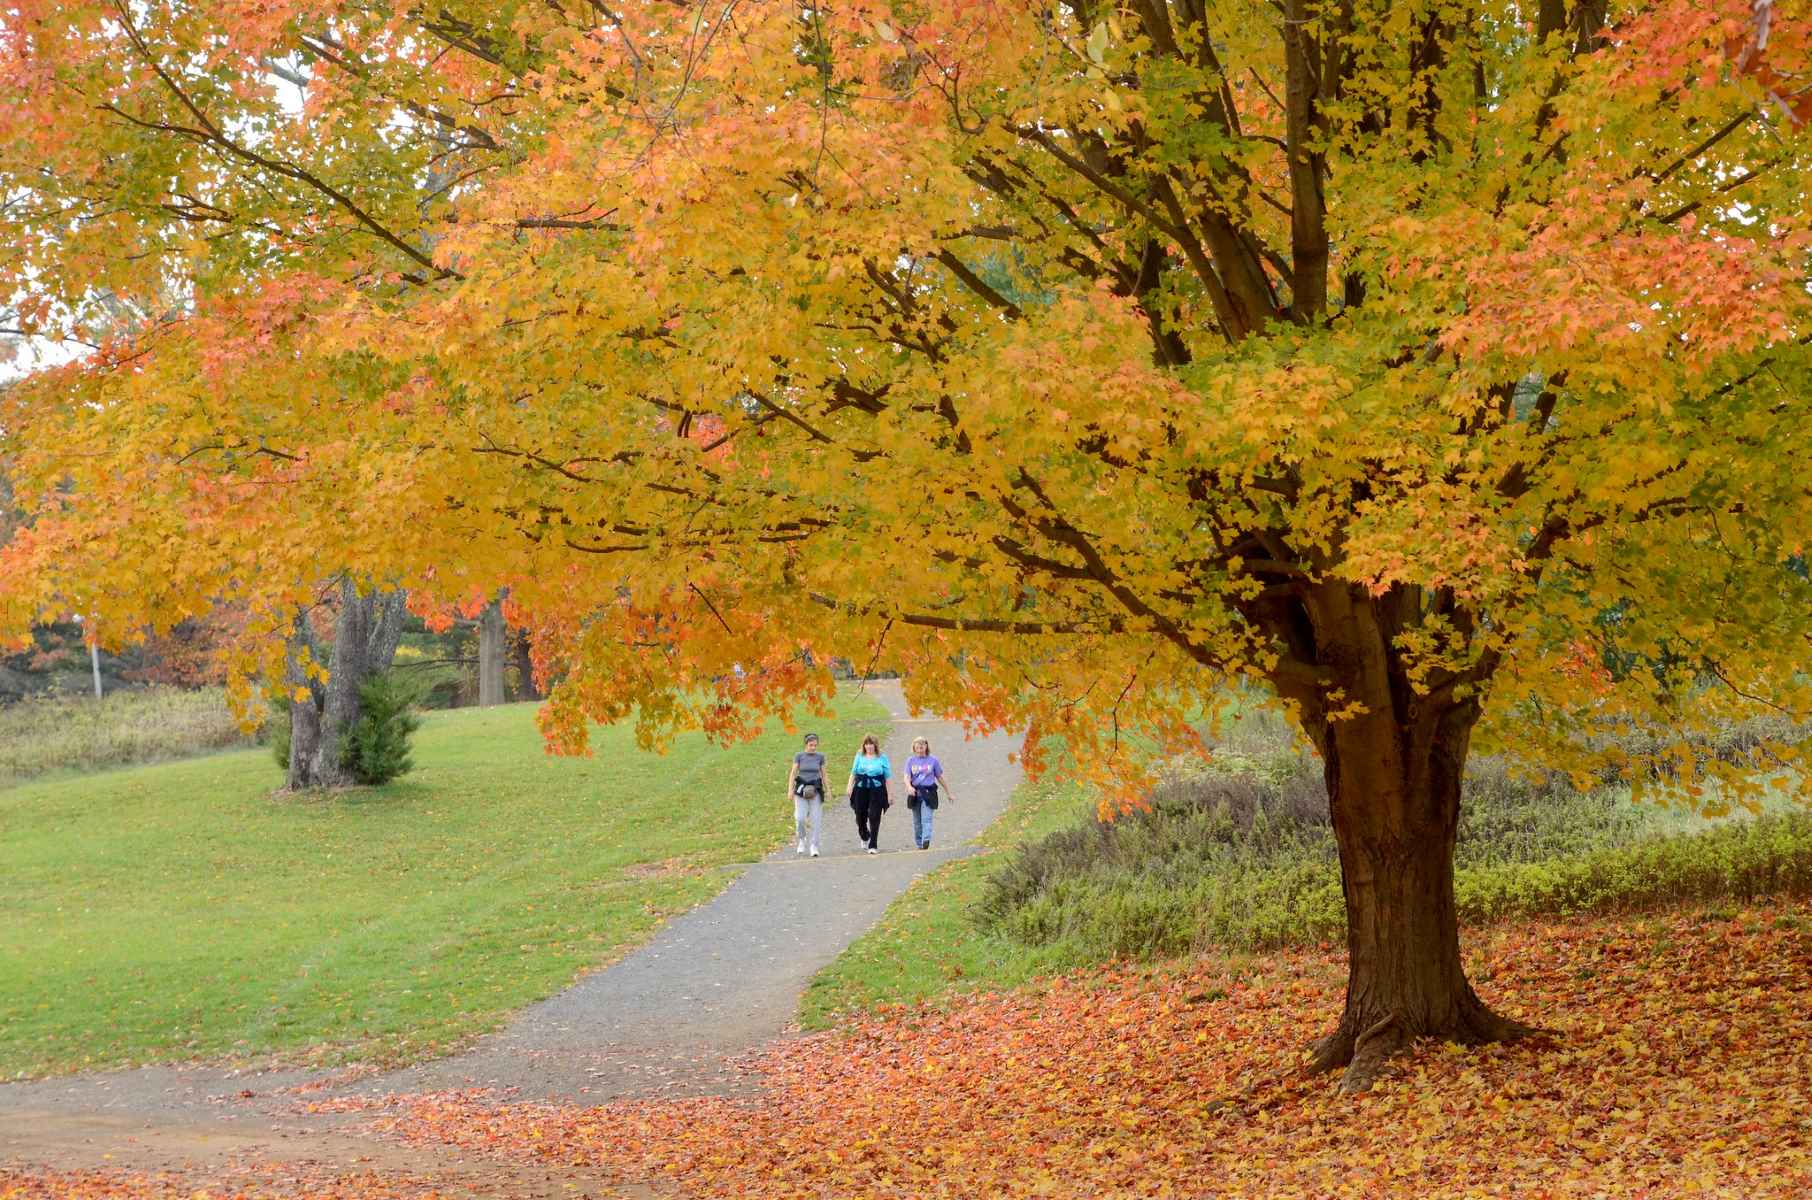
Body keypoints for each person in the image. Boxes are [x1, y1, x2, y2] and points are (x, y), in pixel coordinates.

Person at [904, 736, 954, 850]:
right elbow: (906, 777)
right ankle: (919, 843)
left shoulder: (933, 760)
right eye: (918, 746)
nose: (920, 748)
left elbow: (940, 777)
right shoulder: (910, 761)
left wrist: (948, 793)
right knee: (917, 822)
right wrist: (909, 787)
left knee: (926, 819)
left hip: (929, 793)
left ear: (926, 747)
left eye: (922, 746)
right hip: (915, 793)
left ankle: (926, 839)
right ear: (914, 748)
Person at [845, 734, 891, 854]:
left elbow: (887, 777)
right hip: (861, 788)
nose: (869, 746)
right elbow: (853, 772)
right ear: (864, 745)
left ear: (875, 745)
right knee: (860, 815)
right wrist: (849, 786)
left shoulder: (882, 757)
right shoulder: (859, 756)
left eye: (871, 744)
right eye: (867, 744)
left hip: (877, 789)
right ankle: (864, 835)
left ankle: (873, 844)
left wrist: (890, 794)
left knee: (875, 815)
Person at [787, 733, 827, 857]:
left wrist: (828, 790)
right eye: (811, 745)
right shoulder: (799, 756)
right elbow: (793, 774)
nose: (813, 748)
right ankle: (802, 839)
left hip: (816, 790)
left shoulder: (820, 757)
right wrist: (790, 790)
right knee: (800, 818)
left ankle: (814, 845)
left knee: (816, 820)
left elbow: (824, 774)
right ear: (806, 744)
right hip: (801, 790)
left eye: (815, 745)